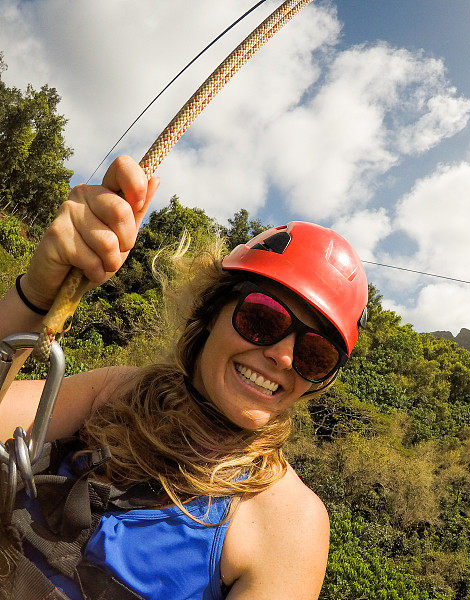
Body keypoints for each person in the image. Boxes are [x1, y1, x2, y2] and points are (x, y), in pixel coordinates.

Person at [0, 155, 368, 599]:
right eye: (263, 319)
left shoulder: (287, 523)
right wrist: (37, 293)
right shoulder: (117, 392)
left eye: (315, 353)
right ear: (212, 312)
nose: (284, 357)